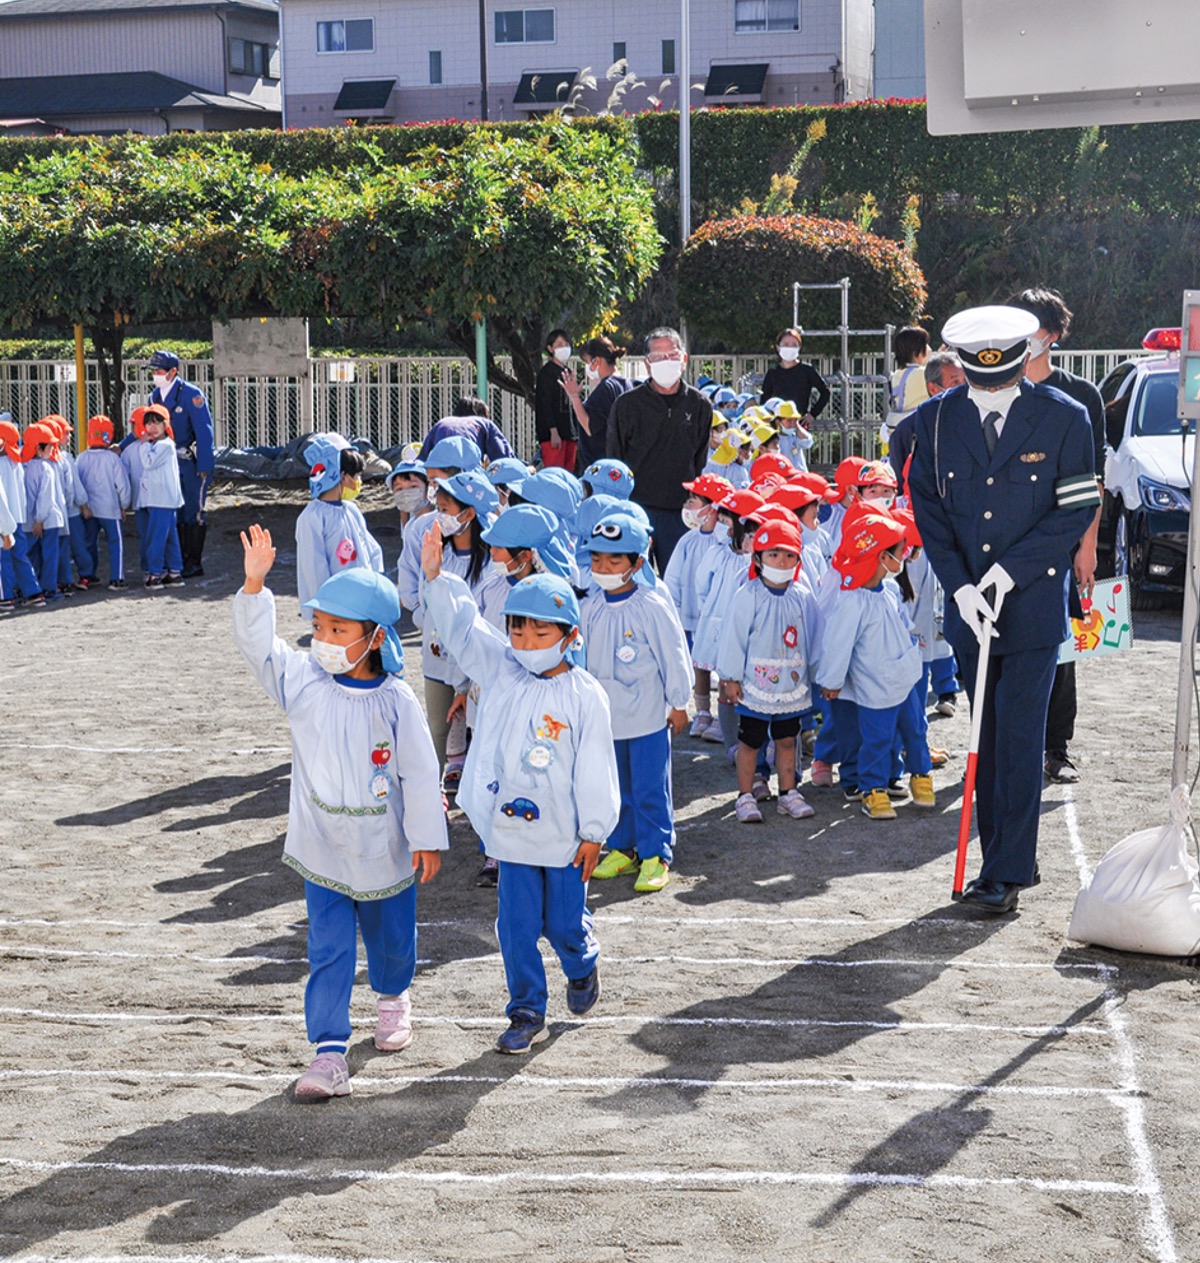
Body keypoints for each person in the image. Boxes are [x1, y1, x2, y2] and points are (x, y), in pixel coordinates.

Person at [234, 530, 447, 1100]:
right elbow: (261, 649)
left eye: (338, 629)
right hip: (321, 844)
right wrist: (255, 585)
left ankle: (394, 994)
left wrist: (427, 837)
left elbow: (421, 774)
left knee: (392, 941)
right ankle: (329, 1052)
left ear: (376, 637)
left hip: (386, 847)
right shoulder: (302, 680)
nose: (322, 638)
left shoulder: (397, 699)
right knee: (327, 949)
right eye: (319, 626)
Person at [909, 305, 1099, 914]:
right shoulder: (934, 422)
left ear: (1022, 360)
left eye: (1001, 377)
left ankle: (1008, 872)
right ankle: (997, 858)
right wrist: (962, 587)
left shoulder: (1064, 418)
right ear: (962, 367)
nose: (989, 389)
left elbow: (1073, 509)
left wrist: (1004, 574)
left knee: (1019, 738)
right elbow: (929, 511)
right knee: (984, 736)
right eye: (978, 378)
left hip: (1032, 605)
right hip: (970, 610)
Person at [421, 529, 620, 1054]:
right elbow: (465, 631)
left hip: (565, 837)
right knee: (514, 927)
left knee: (563, 926)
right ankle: (526, 1008)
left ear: (569, 637)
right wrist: (437, 579)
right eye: (517, 632)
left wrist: (594, 832)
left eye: (539, 634)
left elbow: (597, 769)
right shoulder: (502, 668)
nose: (526, 644)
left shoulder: (585, 697)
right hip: (510, 835)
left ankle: (582, 964)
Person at [1008, 286, 1106, 786]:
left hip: (1060, 545)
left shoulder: (1079, 398)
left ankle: (1055, 747)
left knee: (1059, 648)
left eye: (1031, 328)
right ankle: (1004, 749)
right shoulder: (993, 386)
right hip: (1003, 545)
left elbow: (1093, 483)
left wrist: (1086, 548)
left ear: (1050, 335)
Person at [580, 513, 692, 893]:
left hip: (646, 717)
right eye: (597, 560)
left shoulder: (651, 604)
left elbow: (673, 655)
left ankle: (655, 853)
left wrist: (679, 702)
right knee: (616, 787)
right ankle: (622, 848)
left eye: (614, 561)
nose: (604, 568)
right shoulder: (591, 606)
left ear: (637, 563)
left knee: (649, 786)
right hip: (606, 720)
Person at [817, 509, 933, 820]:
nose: (904, 556)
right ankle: (873, 789)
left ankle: (921, 773)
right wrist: (831, 680)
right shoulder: (851, 601)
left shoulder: (891, 590)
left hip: (904, 676)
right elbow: (837, 645)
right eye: (899, 551)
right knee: (877, 736)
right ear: (881, 557)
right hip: (875, 683)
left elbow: (901, 623)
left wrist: (911, 641)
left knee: (915, 729)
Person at [716, 517, 820, 824]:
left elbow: (815, 637)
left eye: (789, 554)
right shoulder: (747, 596)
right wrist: (730, 677)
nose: (782, 560)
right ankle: (745, 796)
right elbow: (733, 638)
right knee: (751, 741)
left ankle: (788, 793)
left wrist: (820, 675)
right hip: (754, 689)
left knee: (788, 740)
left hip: (792, 687)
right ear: (758, 558)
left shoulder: (802, 597)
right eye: (774, 554)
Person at [607, 327, 713, 571]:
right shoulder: (626, 405)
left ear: (684, 360)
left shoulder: (700, 405)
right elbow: (615, 458)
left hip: (679, 513)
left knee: (677, 585)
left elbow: (699, 459)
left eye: (672, 355)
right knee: (631, 582)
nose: (666, 362)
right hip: (636, 510)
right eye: (658, 356)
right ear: (647, 364)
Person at [663, 471, 733, 737]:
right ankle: (702, 712)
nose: (686, 507)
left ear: (712, 507)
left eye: (692, 501)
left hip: (718, 614)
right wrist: (675, 606)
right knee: (699, 661)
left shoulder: (725, 544)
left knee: (722, 662)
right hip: (693, 613)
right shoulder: (688, 540)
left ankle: (721, 715)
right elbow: (673, 576)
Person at [296, 437, 384, 614]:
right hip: (334, 608)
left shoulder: (351, 510)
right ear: (342, 475)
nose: (360, 481)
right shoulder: (312, 517)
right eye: (357, 475)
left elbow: (371, 550)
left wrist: (376, 584)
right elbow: (314, 567)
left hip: (361, 602)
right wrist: (325, 606)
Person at [148, 350, 214, 578]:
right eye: (154, 371)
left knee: (193, 511)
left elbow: (204, 433)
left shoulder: (191, 395)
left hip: (188, 461)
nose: (155, 375)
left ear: (173, 372)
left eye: (159, 371)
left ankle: (193, 562)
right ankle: (177, 561)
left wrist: (204, 466)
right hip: (165, 464)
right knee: (172, 510)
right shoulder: (154, 397)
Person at [888, 352, 966, 485]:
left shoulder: (978, 423)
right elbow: (899, 487)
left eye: (966, 382)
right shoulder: (908, 431)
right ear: (933, 389)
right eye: (956, 382)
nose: (964, 389)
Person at [74, 414, 132, 590]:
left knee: (89, 542)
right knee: (116, 542)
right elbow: (122, 485)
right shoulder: (113, 458)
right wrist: (124, 505)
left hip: (89, 509)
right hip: (110, 509)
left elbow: (77, 483)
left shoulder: (81, 458)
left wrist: (82, 506)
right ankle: (117, 578)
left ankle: (87, 576)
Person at [560, 336, 633, 468]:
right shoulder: (626, 383)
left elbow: (590, 427)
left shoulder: (606, 388)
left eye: (588, 362)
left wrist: (574, 396)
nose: (587, 367)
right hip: (618, 464)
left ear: (597, 361)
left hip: (598, 467)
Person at [138, 403, 185, 589]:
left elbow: (148, 463)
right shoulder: (159, 445)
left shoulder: (164, 445)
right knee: (170, 536)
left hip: (161, 500)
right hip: (164, 499)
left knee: (156, 537)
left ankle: (154, 574)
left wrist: (143, 445)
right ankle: (174, 571)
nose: (152, 428)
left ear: (166, 424)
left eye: (157, 423)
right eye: (148, 424)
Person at [0, 414, 43, 609]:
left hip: (4, 519)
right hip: (17, 516)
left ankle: (6, 596)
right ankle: (33, 592)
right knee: (20, 555)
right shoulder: (15, 461)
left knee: (4, 559)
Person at [20, 420, 67, 599]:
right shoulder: (46, 468)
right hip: (47, 520)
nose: (51, 450)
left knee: (31, 554)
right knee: (50, 555)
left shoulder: (22, 466)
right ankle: (49, 588)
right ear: (39, 448)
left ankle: (31, 586)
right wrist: (40, 519)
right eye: (49, 446)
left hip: (30, 521)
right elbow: (45, 497)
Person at [759, 327, 831, 427]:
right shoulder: (772, 373)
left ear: (799, 348)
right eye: (786, 344)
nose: (789, 348)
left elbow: (825, 392)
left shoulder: (807, 371)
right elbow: (764, 401)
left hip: (799, 424)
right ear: (778, 347)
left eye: (794, 345)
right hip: (777, 425)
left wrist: (812, 414)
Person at [417, 398, 515, 465]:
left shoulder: (442, 423)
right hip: (468, 473)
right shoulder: (484, 423)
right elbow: (505, 460)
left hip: (439, 473)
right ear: (482, 414)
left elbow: (422, 459)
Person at [534, 329, 577, 472]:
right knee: (555, 475)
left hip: (569, 432)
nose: (564, 347)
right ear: (550, 348)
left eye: (566, 344)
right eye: (559, 344)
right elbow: (544, 403)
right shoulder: (546, 373)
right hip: (553, 435)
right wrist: (553, 431)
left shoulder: (567, 372)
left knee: (568, 475)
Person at [881, 325, 931, 448]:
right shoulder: (922, 374)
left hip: (899, 429)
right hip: (920, 429)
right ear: (916, 350)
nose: (929, 348)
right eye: (926, 344)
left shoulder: (897, 374)